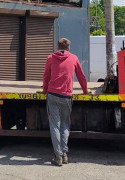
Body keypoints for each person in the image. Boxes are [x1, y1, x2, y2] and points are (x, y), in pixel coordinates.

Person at [42, 37, 89, 166]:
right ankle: (64, 154)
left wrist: (44, 90)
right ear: (68, 47)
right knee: (65, 125)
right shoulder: (74, 58)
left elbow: (46, 76)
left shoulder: (50, 58)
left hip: (52, 95)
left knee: (55, 126)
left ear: (58, 47)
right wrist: (85, 91)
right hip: (66, 96)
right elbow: (81, 76)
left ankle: (58, 157)